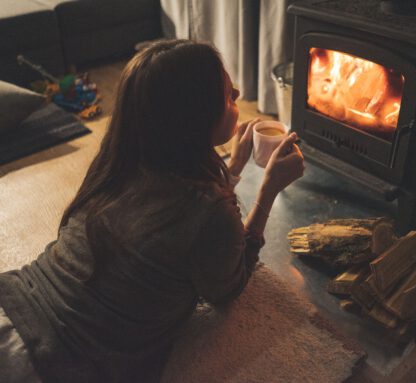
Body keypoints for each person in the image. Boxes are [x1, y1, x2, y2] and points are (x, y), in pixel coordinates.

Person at [0, 40, 304, 383]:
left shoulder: (118, 163)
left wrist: (232, 169)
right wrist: (267, 191)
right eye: (227, 94)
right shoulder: (210, 214)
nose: (237, 92)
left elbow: (182, 217)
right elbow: (227, 289)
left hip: (12, 300)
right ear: (193, 117)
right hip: (47, 360)